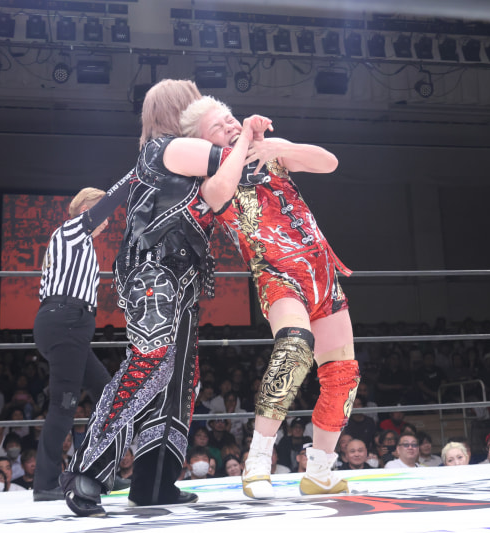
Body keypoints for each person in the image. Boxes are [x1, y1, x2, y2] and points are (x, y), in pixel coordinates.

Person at [61, 79, 272, 517]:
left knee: (180, 382)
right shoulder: (165, 149)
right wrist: (244, 136)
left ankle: (153, 484)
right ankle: (86, 472)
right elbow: (236, 163)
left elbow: (235, 181)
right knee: (151, 363)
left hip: (184, 280)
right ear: (180, 109)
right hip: (153, 274)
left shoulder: (183, 157)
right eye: (195, 105)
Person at [180, 95, 359, 499]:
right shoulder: (211, 176)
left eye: (230, 118)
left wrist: (277, 146)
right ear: (202, 142)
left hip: (321, 272)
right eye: (218, 126)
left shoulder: (269, 154)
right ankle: (258, 459)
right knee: (294, 347)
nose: (230, 125)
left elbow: (329, 162)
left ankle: (320, 471)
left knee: (343, 375)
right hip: (277, 274)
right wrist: (244, 139)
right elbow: (218, 194)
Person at [32, 174, 134, 503]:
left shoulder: (80, 243)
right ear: (86, 209)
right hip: (65, 322)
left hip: (70, 326)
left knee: (107, 394)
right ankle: (45, 483)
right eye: (101, 212)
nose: (107, 221)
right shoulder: (73, 230)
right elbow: (107, 204)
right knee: (64, 405)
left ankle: (97, 471)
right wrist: (136, 175)